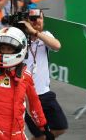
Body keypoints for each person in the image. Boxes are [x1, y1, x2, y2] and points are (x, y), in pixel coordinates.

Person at [20, 9, 68, 140]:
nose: (37, 21)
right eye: (33, 19)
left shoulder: (45, 35)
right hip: (26, 96)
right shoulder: (19, 38)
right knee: (40, 135)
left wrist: (35, 33)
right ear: (26, 21)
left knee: (61, 127)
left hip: (45, 93)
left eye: (40, 18)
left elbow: (57, 46)